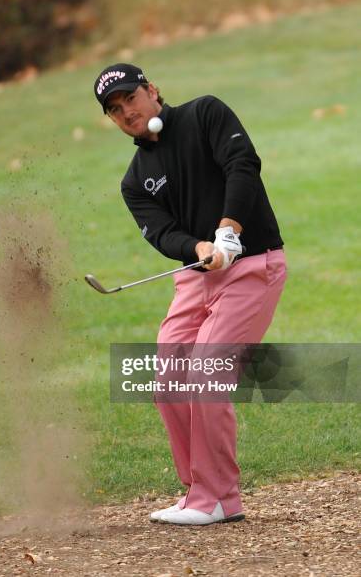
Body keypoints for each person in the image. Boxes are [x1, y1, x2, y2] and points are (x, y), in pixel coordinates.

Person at [93, 63, 287, 525]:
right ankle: (199, 490)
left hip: (252, 266)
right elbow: (160, 233)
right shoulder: (134, 179)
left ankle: (221, 497)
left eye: (130, 99)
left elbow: (243, 165)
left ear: (152, 90)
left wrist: (228, 230)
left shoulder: (206, 114)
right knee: (168, 381)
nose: (126, 113)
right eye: (115, 110)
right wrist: (198, 247)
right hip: (195, 276)